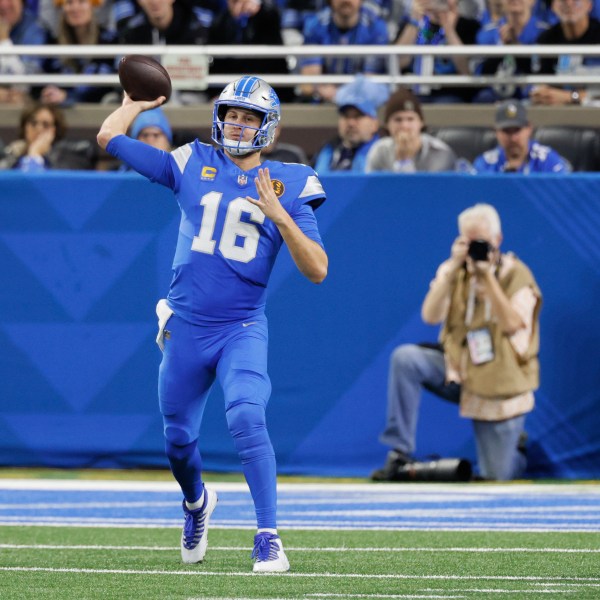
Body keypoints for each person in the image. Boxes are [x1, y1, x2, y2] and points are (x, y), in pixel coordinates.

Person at [96, 75, 328, 572]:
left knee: (246, 413)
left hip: (240, 327)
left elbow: (317, 270)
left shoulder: (290, 181)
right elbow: (108, 140)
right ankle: (197, 504)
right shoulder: (192, 161)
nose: (237, 125)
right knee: (177, 441)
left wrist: (280, 217)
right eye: (231, 114)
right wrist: (131, 105)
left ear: (270, 125)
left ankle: (268, 535)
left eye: (249, 117)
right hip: (185, 327)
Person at [372, 203, 542, 482]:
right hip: (458, 371)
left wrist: (487, 277)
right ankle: (399, 450)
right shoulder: (454, 271)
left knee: (496, 476)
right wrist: (451, 270)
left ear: (497, 240)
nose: (473, 248)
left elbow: (512, 324)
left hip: (499, 383)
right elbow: (430, 315)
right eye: (467, 241)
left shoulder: (517, 275)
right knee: (406, 358)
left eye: (480, 242)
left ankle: (517, 451)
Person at [298, 0, 389, 103]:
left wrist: (342, 94)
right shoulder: (315, 25)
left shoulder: (375, 27)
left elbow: (371, 79)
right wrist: (323, 90)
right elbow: (308, 84)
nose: (346, 1)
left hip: (363, 100)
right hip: (325, 99)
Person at [394, 0, 481, 103]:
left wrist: (448, 29)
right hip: (412, 90)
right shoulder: (411, 24)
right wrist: (414, 21)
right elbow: (399, 62)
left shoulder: (469, 26)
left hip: (449, 92)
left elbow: (465, 70)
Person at [207, 0, 294, 102]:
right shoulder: (220, 22)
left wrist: (259, 6)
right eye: (233, 2)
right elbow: (218, 64)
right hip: (233, 92)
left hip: (270, 90)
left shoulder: (265, 14)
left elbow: (272, 15)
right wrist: (216, 94)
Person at [40, 0, 119, 105]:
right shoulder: (53, 43)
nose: (75, 8)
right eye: (69, 2)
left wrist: (68, 96)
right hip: (60, 112)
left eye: (81, 2)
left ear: (93, 6)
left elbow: (107, 88)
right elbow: (45, 80)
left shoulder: (110, 40)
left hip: (98, 110)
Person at [473, 0, 550, 103]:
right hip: (495, 96)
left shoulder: (546, 32)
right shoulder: (486, 33)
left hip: (533, 96)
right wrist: (502, 46)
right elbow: (480, 76)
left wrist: (515, 46)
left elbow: (541, 72)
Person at [366, 87, 458, 172]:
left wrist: (404, 161)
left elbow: (423, 188)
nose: (404, 126)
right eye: (398, 120)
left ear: (421, 122)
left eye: (410, 119)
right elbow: (371, 187)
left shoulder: (440, 152)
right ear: (387, 125)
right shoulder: (379, 150)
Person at [530, 0, 600, 106]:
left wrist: (571, 97)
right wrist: (542, 94)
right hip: (558, 113)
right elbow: (542, 82)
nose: (568, 3)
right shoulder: (546, 40)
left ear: (589, 5)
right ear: (553, 6)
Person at [313, 76, 389, 173]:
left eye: (358, 116)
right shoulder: (327, 150)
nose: (351, 123)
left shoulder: (383, 154)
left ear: (374, 124)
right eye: (346, 116)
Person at [473, 100, 572, 173]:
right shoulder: (485, 163)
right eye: (506, 131)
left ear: (529, 128)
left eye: (517, 130)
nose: (513, 138)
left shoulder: (547, 159)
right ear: (496, 132)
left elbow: (564, 193)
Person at [0, 101, 96, 170]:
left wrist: (35, 153)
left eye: (45, 125)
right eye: (33, 123)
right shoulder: (13, 155)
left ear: (54, 130)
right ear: (25, 127)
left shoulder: (66, 156)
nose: (39, 129)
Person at [0, 0, 51, 104]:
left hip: (27, 104)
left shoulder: (35, 29)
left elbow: (22, 85)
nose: (4, 4)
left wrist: (4, 40)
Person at [115, 106, 173, 171]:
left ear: (167, 142)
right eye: (145, 135)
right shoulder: (121, 175)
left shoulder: (179, 175)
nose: (150, 140)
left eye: (156, 135)